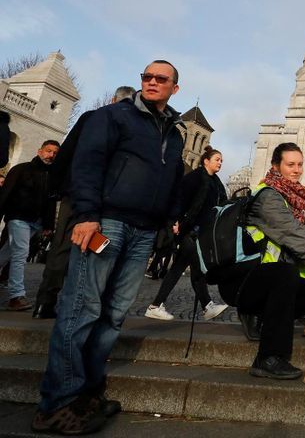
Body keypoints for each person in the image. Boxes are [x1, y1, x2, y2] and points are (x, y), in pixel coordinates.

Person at [33, 61, 185, 435]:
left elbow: (170, 178)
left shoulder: (176, 133)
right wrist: (86, 214)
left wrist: (171, 217)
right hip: (107, 224)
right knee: (80, 307)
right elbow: (87, 165)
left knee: (114, 314)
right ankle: (58, 402)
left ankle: (88, 392)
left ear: (174, 88)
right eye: (146, 77)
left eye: (160, 79)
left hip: (143, 232)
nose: (151, 82)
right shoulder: (112, 116)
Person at [216, 142, 305, 379]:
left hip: (271, 277)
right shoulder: (269, 197)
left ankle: (264, 317)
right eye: (290, 164)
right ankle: (269, 357)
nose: (297, 169)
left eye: (300, 164)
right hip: (245, 278)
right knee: (286, 274)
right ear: (276, 166)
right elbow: (294, 235)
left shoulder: (294, 198)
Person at [33, 86, 136, 320]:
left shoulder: (90, 117)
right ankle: (83, 307)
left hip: (75, 191)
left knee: (61, 247)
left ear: (112, 99)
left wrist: (56, 188)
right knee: (97, 249)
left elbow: (67, 152)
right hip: (105, 195)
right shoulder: (129, 126)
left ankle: (45, 302)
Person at [144, 145, 229, 322]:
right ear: (206, 161)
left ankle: (204, 306)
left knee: (190, 269)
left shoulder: (216, 182)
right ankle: (158, 305)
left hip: (202, 232)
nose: (220, 163)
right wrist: (174, 219)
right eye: (217, 159)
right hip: (189, 229)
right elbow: (180, 198)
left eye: (221, 160)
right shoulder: (195, 177)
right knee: (185, 268)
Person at [0, 139, 60, 311]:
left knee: (7, 253)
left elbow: (51, 203)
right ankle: (16, 296)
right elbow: (6, 193)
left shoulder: (52, 176)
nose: (51, 155)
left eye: (55, 153)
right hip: (18, 217)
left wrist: (48, 225)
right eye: (49, 151)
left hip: (36, 222)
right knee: (20, 253)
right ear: (39, 151)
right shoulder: (21, 169)